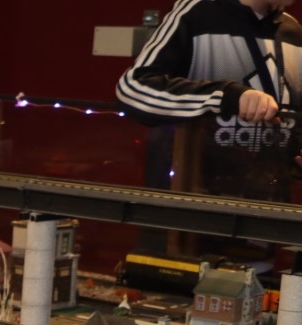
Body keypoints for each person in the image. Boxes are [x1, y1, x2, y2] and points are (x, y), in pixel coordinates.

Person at [116, 0, 302, 203]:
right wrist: (225, 97)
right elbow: (132, 89)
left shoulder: (292, 31)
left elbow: (294, 122)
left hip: (268, 205)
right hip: (194, 203)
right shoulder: (197, 13)